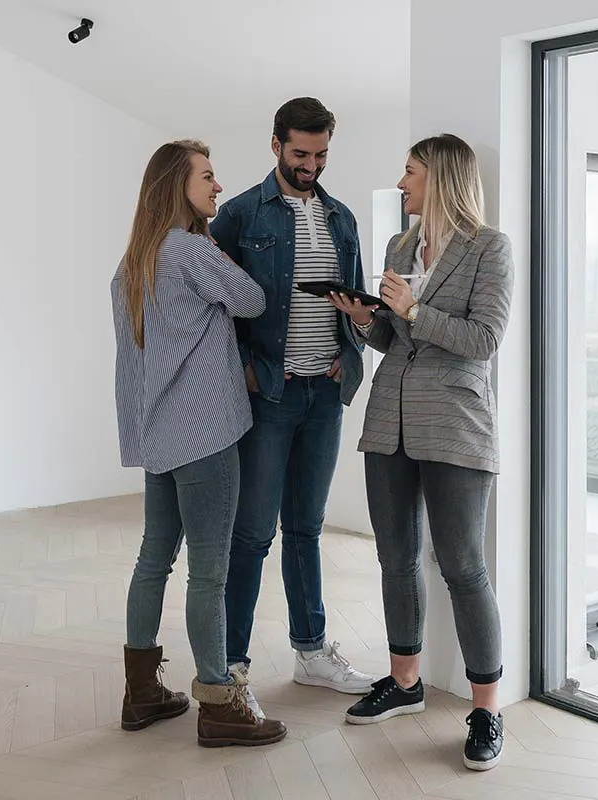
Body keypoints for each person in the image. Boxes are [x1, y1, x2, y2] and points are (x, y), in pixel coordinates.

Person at [329, 133, 514, 771]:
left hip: (457, 423)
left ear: (440, 178)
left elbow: (484, 338)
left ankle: (487, 709)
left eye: (410, 173)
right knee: (395, 557)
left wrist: (414, 307)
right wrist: (363, 317)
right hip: (390, 422)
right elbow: (392, 335)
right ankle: (404, 682)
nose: (401, 183)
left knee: (463, 565)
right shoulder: (400, 245)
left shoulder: (491, 247)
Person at [111, 139, 287, 748]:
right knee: (209, 574)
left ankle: (141, 692)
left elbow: (132, 362)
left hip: (158, 434)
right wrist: (222, 257)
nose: (217, 187)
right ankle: (219, 701)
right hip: (207, 434)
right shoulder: (191, 250)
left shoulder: (131, 264)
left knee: (153, 559)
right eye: (207, 177)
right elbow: (253, 299)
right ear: (175, 187)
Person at [209, 98, 375, 699]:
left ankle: (311, 652)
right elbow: (212, 305)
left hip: (323, 394)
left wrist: (353, 338)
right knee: (251, 533)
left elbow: (355, 307)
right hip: (269, 396)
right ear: (275, 144)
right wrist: (245, 372)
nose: (311, 165)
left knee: (306, 527)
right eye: (301, 153)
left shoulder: (343, 219)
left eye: (322, 154)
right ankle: (229, 667)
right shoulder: (238, 215)